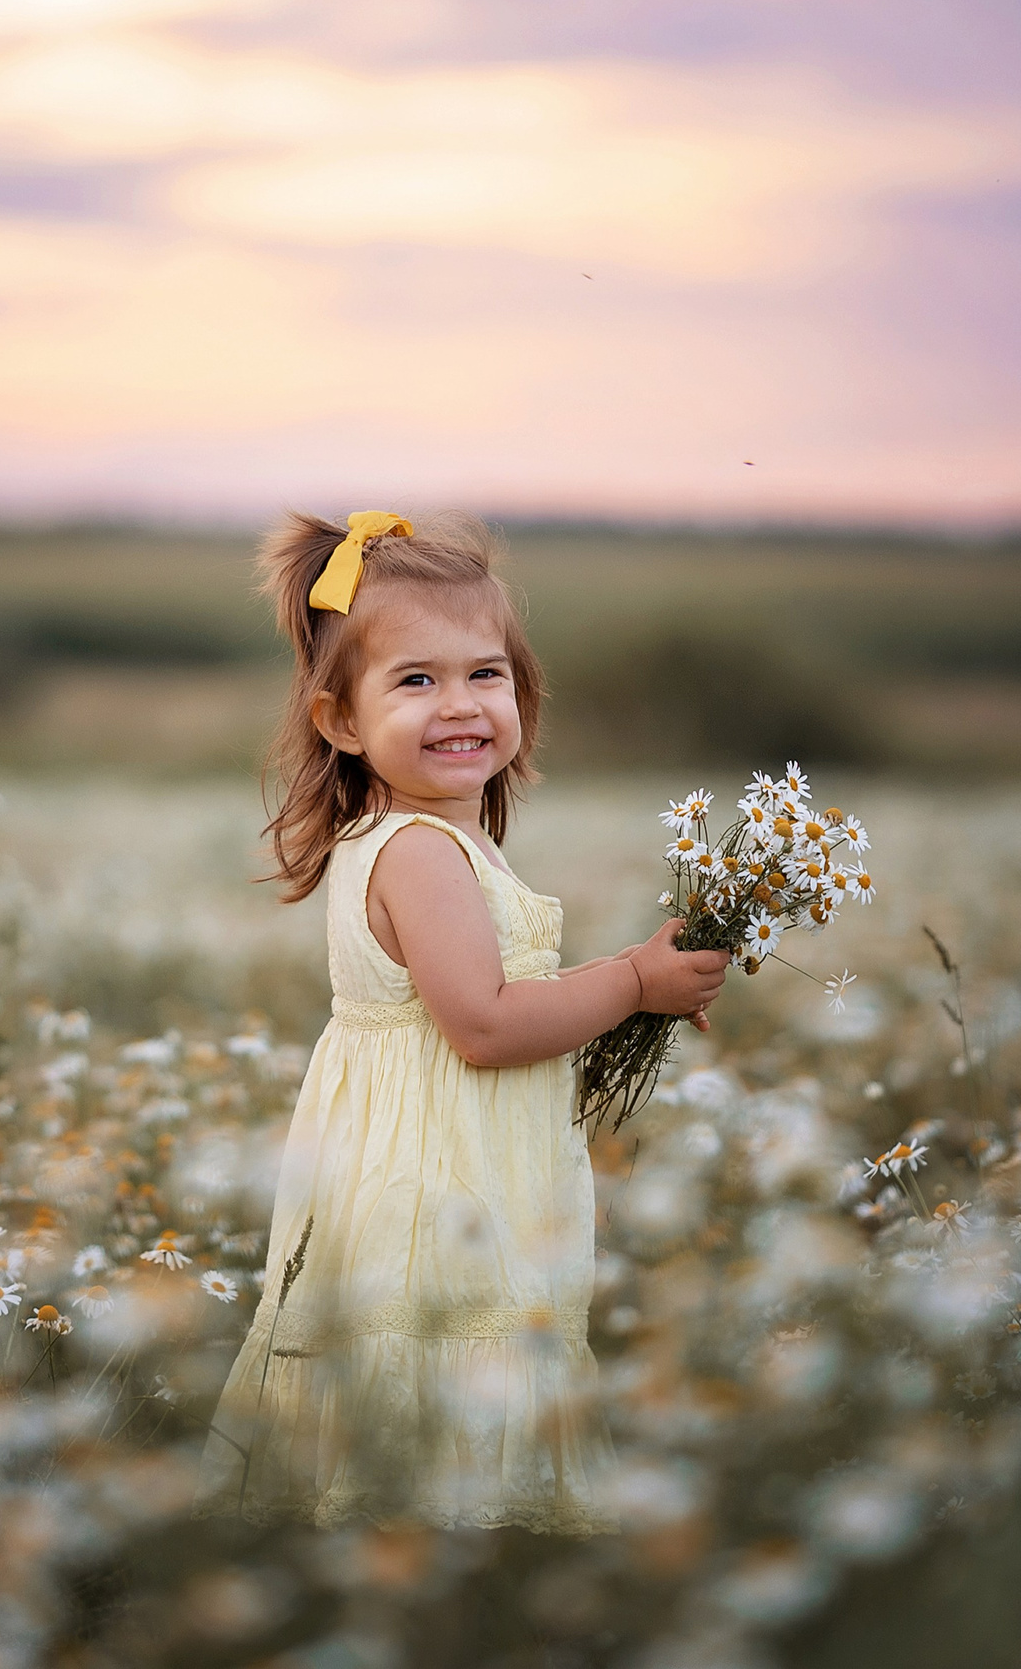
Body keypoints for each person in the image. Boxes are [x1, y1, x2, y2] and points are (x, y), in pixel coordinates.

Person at [195, 509, 727, 1533]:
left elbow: (494, 1001)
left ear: (521, 693)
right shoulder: (419, 852)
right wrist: (628, 982)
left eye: (485, 673)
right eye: (414, 679)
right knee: (434, 1400)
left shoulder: (421, 839)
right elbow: (482, 1025)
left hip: (437, 1164)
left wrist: (626, 984)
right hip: (436, 1195)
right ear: (339, 720)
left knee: (410, 1427)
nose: (459, 704)